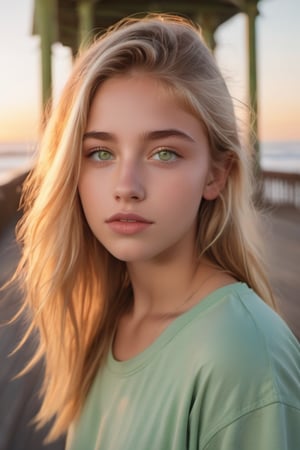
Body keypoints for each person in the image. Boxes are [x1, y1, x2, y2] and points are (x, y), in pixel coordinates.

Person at [14, 14, 299, 450]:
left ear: (216, 175)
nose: (126, 186)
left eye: (164, 153)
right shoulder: (107, 319)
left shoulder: (242, 354)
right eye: (100, 153)